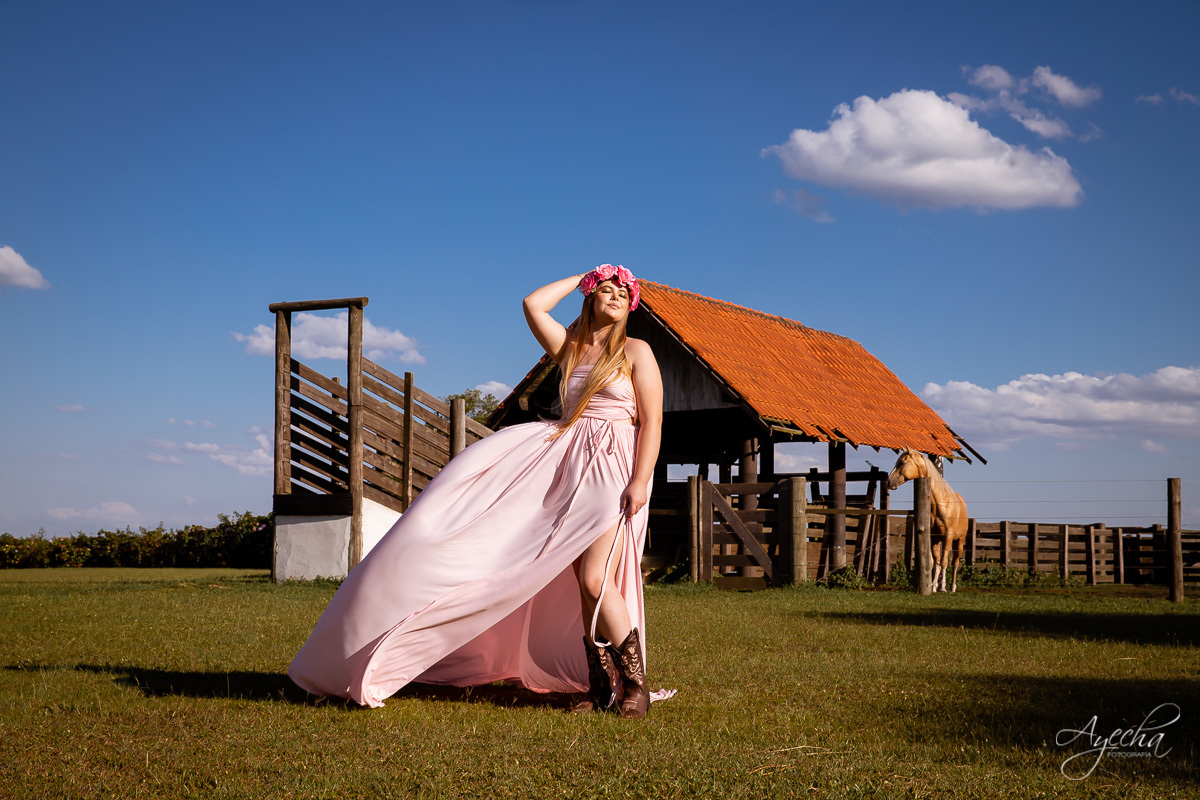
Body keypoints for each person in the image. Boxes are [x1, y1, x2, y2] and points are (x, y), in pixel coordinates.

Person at [288, 265, 663, 719]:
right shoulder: (571, 348)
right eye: (605, 290)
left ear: (632, 305)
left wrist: (640, 480)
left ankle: (636, 688)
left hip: (612, 465)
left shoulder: (637, 351)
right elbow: (533, 304)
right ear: (590, 297)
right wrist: (586, 273)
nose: (615, 297)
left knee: (593, 578)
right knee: (581, 586)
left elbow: (652, 422)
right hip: (568, 467)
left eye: (623, 293)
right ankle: (600, 686)